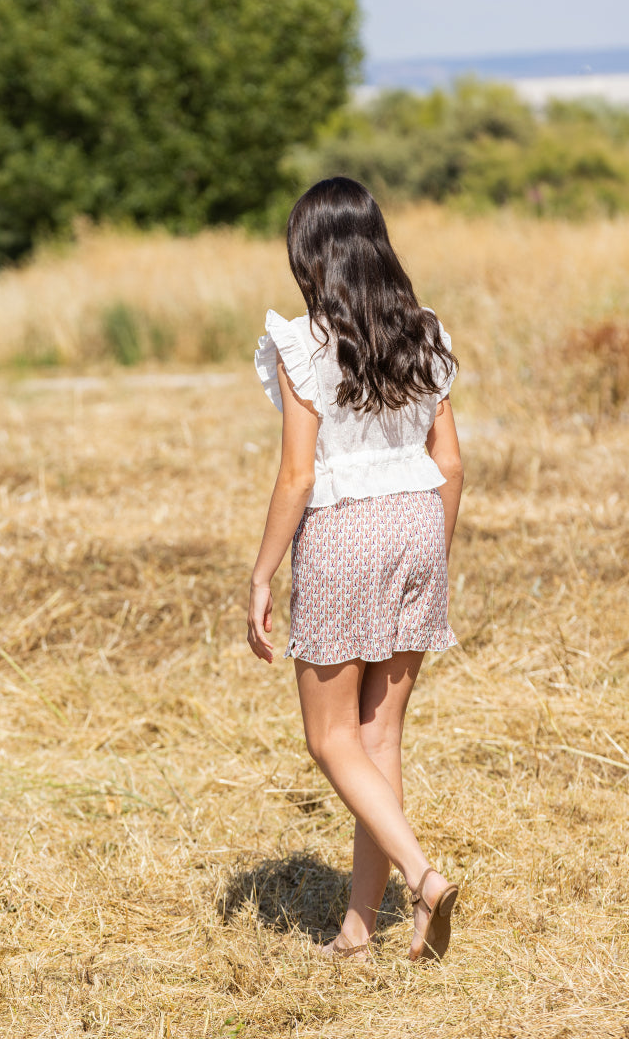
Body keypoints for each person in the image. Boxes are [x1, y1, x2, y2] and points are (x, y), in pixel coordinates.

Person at [247, 177, 464, 962]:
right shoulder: (425, 331)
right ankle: (357, 933)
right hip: (418, 525)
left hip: (343, 534)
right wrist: (429, 552)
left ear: (311, 253)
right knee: (381, 740)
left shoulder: (303, 343)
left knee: (330, 738)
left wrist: (262, 575)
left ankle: (423, 876)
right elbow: (451, 462)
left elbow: (298, 478)